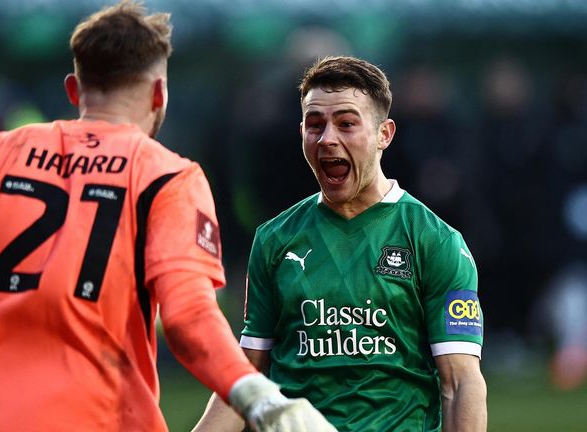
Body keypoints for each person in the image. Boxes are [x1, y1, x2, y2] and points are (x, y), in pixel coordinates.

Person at [0, 2, 334, 431]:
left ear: (73, 91)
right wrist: (258, 396)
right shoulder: (168, 177)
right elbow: (188, 317)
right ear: (159, 95)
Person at [193, 56, 487, 432]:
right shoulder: (274, 239)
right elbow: (247, 376)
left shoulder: (435, 240)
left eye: (347, 124)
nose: (328, 138)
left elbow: (461, 383)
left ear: (385, 134)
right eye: (315, 125)